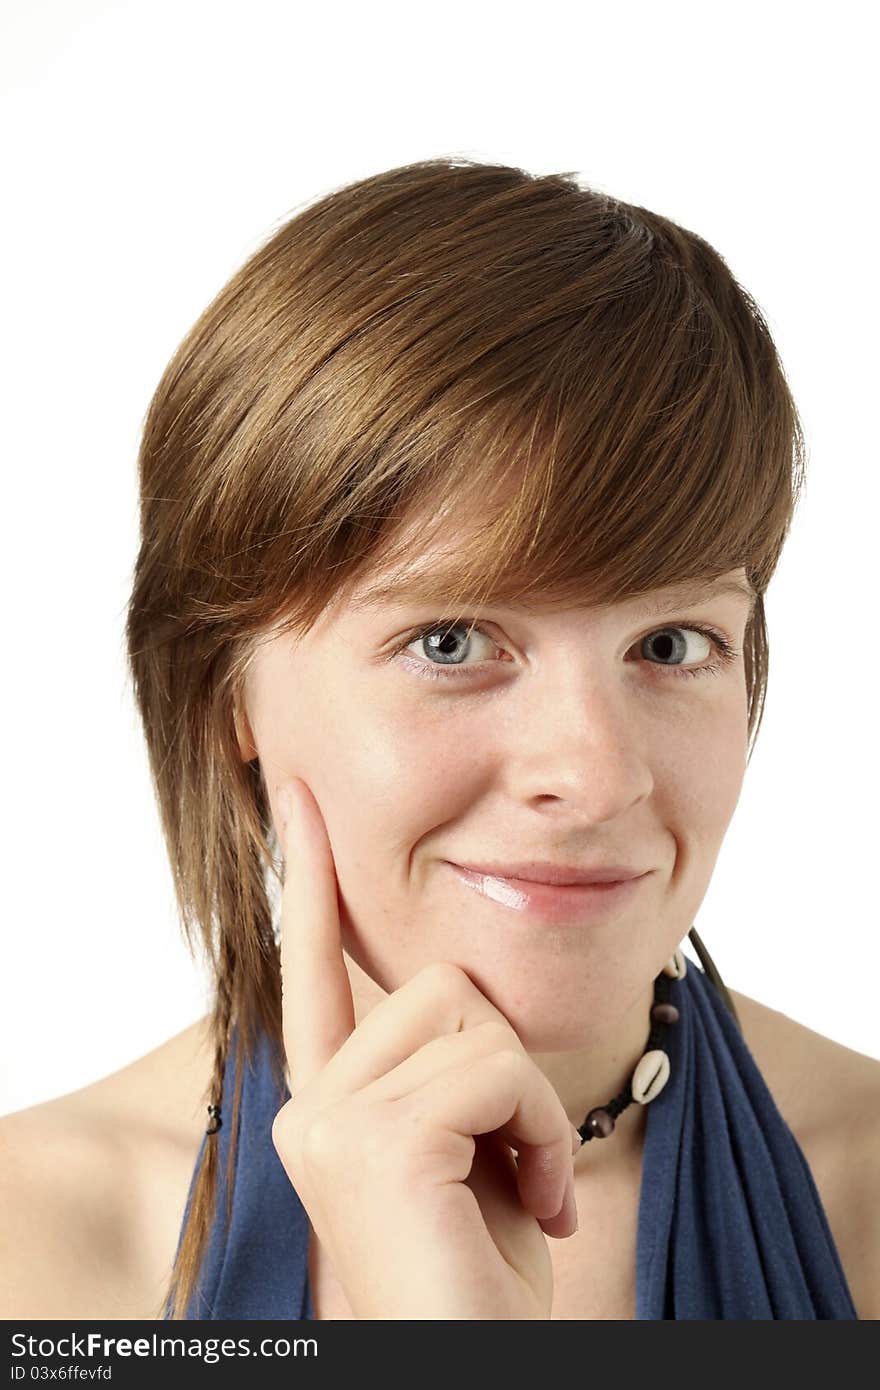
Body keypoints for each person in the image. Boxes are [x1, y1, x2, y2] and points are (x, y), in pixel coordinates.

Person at [1, 157, 878, 1321]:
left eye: (669, 644)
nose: (595, 772)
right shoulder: (37, 1252)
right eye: (453, 642)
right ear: (226, 695)